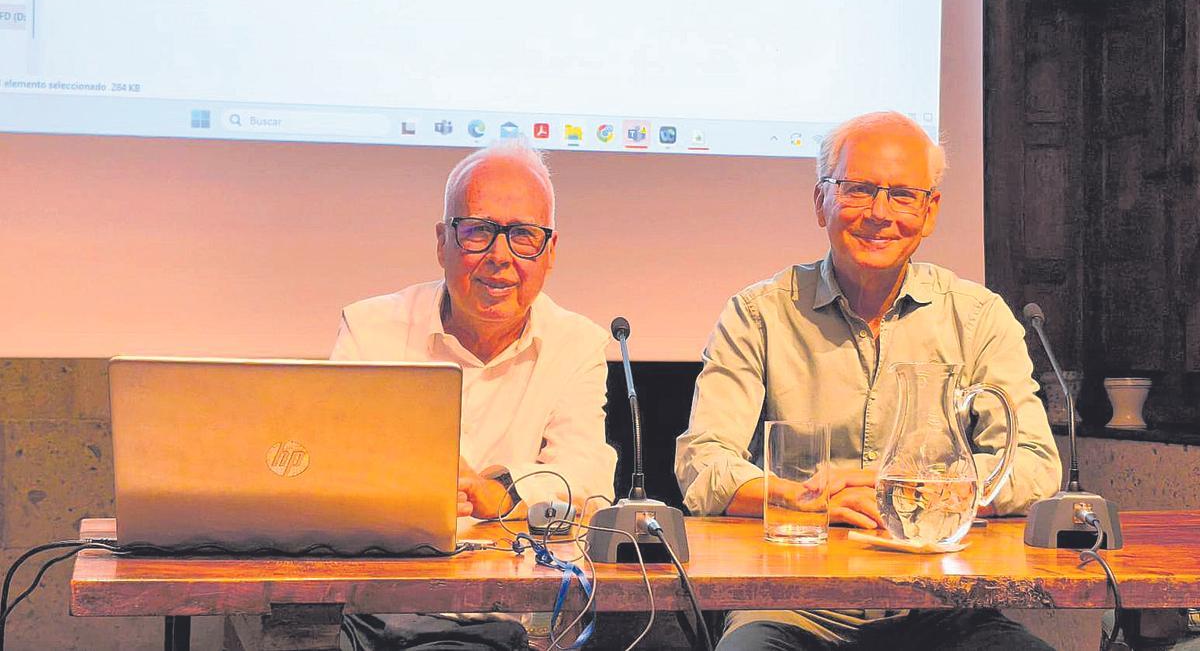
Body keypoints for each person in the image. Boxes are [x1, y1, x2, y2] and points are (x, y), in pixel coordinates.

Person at [675, 112, 1062, 650]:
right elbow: (703, 462)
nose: (880, 214)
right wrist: (804, 499)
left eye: (903, 195)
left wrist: (903, 491)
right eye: (857, 189)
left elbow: (1036, 465)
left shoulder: (977, 317)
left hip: (946, 603)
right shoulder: (758, 313)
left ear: (930, 213)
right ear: (820, 202)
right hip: (789, 602)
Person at [333, 139, 617, 650]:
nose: (500, 258)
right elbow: (333, 467)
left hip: (522, 616)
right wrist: (424, 484)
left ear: (550, 252)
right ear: (443, 241)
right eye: (480, 232)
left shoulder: (579, 343)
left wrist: (504, 491)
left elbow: (590, 477)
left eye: (524, 236)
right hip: (387, 608)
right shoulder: (371, 329)